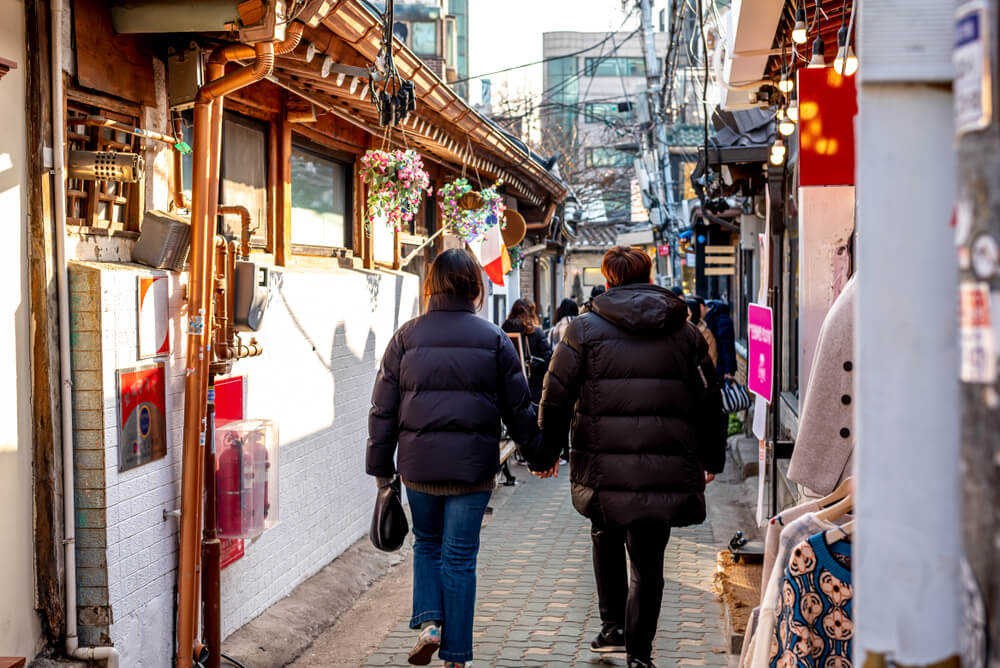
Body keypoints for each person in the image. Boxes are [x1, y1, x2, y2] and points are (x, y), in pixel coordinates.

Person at [537, 246, 727, 668]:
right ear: (649, 276)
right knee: (649, 563)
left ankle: (614, 629)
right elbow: (709, 401)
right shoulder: (685, 332)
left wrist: (546, 452)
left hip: (603, 469)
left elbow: (555, 396)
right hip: (663, 468)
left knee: (605, 538)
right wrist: (713, 458)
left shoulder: (583, 330)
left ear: (608, 281)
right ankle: (639, 654)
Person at [366, 249, 558, 667]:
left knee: (427, 545)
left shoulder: (405, 337)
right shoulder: (493, 340)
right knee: (459, 557)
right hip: (472, 470)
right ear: (475, 287)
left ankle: (431, 623)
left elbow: (382, 409)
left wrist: (381, 470)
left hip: (418, 467)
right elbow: (519, 409)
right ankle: (456, 657)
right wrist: (540, 455)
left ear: (431, 286)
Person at [501, 299, 552, 404]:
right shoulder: (536, 332)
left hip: (509, 385)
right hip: (533, 386)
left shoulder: (504, 330)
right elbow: (547, 359)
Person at [704, 299, 737, 384]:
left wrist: (729, 370)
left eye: (705, 308)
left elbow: (728, 347)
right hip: (719, 364)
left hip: (722, 366)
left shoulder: (722, 321)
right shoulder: (713, 320)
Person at [687, 298, 718, 368]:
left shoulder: (707, 334)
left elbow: (712, 359)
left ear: (694, 314)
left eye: (688, 315)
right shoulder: (680, 333)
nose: (685, 318)